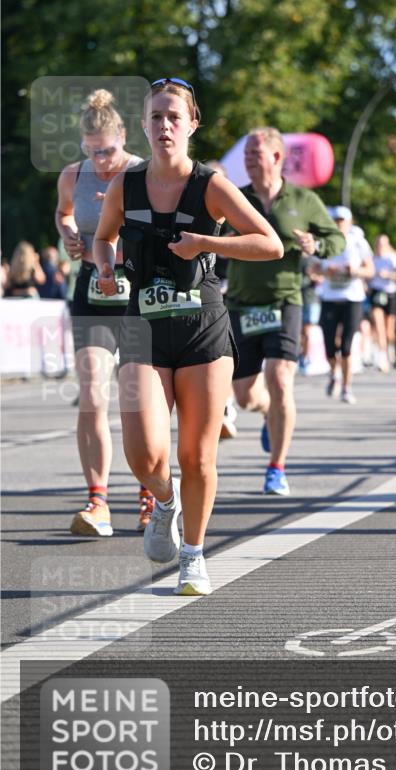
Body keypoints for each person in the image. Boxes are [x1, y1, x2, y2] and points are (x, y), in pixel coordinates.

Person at [93, 79, 283, 594]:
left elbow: (271, 244)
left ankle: (194, 556)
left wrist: (205, 242)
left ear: (192, 124)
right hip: (142, 328)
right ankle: (165, 501)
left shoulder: (211, 185)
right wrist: (106, 267)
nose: (165, 126)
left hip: (203, 330)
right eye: (156, 117)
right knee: (143, 454)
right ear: (144, 125)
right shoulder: (126, 185)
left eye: (174, 117)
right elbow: (103, 238)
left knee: (197, 457)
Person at [225, 127, 344, 496]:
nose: (248, 159)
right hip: (241, 304)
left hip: (285, 301)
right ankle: (268, 413)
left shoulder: (303, 200)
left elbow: (336, 238)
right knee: (245, 396)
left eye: (255, 153)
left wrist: (316, 244)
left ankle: (276, 468)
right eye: (246, 153)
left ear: (277, 157)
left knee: (280, 380)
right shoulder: (235, 198)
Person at [55, 89, 145, 536]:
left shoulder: (143, 174)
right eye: (93, 152)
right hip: (92, 288)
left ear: (123, 136)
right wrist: (70, 234)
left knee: (140, 396)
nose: (102, 161)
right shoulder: (74, 174)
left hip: (138, 291)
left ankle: (152, 495)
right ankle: (98, 501)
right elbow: (64, 212)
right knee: (92, 390)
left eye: (108, 151)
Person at [316, 207, 375, 403]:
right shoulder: (324, 241)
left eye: (342, 220)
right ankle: (334, 373)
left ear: (349, 223)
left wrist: (355, 271)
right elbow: (312, 268)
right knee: (329, 346)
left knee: (347, 346)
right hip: (330, 298)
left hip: (352, 299)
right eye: (335, 220)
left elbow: (370, 270)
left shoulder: (358, 241)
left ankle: (347, 387)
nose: (338, 224)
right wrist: (327, 271)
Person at [368, 233, 396, 372]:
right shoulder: (372, 259)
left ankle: (390, 349)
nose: (381, 247)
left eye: (383, 244)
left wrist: (388, 275)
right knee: (379, 326)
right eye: (379, 244)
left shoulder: (393, 259)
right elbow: (367, 274)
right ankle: (382, 358)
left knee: (389, 330)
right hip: (376, 293)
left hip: (390, 293)